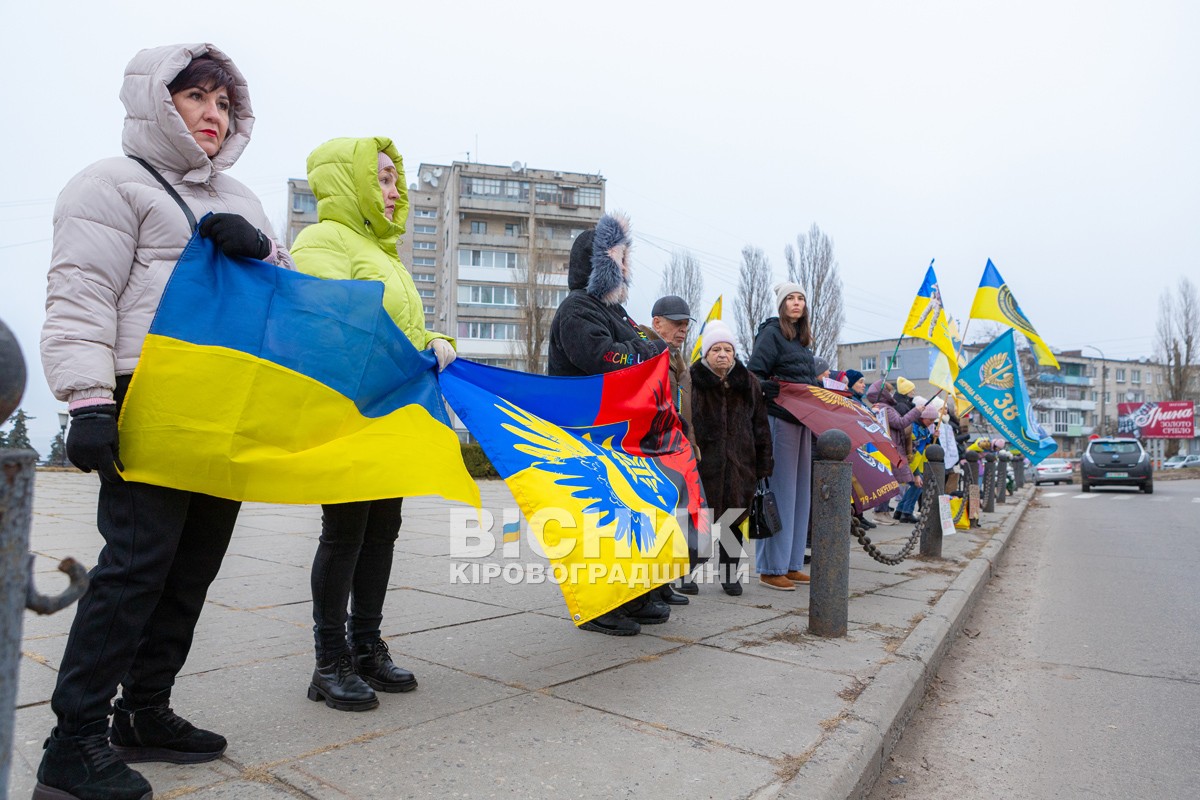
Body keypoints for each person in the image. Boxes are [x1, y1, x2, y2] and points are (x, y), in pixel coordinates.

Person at [37, 44, 293, 800]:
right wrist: (88, 401)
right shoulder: (107, 185)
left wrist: (264, 253)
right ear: (158, 101)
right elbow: (80, 295)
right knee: (136, 566)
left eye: (223, 102)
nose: (213, 115)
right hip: (144, 393)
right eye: (196, 98)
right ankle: (73, 743)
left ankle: (144, 712)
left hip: (224, 403)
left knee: (192, 567)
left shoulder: (242, 197)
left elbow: (281, 295)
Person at [290, 137, 456, 712]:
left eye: (395, 180)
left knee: (383, 530)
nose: (394, 192)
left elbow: (404, 328)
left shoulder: (388, 257)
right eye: (383, 179)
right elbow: (324, 320)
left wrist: (435, 340)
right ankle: (328, 659)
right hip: (349, 411)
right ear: (352, 181)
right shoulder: (322, 240)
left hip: (391, 414)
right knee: (345, 533)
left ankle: (366, 644)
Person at [547, 212, 670, 635]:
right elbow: (600, 356)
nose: (626, 265)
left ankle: (629, 595)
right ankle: (599, 605)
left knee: (623, 519)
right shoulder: (577, 308)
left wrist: (641, 347)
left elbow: (648, 344)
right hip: (585, 433)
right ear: (599, 263)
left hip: (615, 433)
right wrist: (639, 350)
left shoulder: (614, 310)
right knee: (597, 521)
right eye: (619, 257)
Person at [688, 321, 772, 595]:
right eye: (716, 349)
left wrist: (763, 465)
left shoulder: (748, 383)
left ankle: (729, 574)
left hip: (740, 466)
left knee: (733, 521)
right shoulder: (692, 380)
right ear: (706, 353)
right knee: (697, 521)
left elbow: (761, 426)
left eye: (728, 349)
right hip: (703, 466)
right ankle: (686, 573)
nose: (723, 354)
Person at [747, 282, 819, 591]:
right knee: (780, 494)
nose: (796, 302)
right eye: (790, 298)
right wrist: (764, 389)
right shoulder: (772, 333)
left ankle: (790, 564)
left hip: (803, 421)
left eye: (801, 298)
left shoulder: (802, 342)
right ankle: (770, 568)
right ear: (781, 304)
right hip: (778, 419)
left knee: (800, 495)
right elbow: (753, 374)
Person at [638, 295, 694, 605]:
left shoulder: (677, 359)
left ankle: (661, 584)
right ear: (656, 322)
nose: (683, 329)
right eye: (676, 323)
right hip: (652, 447)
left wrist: (692, 445)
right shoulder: (645, 352)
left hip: (676, 448)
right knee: (653, 520)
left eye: (686, 324)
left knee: (671, 519)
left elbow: (686, 409)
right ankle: (646, 588)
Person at [866, 379, 925, 527]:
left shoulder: (882, 407)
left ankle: (884, 512)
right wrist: (916, 411)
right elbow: (900, 422)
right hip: (889, 448)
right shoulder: (885, 408)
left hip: (888, 447)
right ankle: (880, 512)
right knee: (887, 480)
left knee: (890, 480)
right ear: (884, 393)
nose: (892, 394)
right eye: (889, 391)